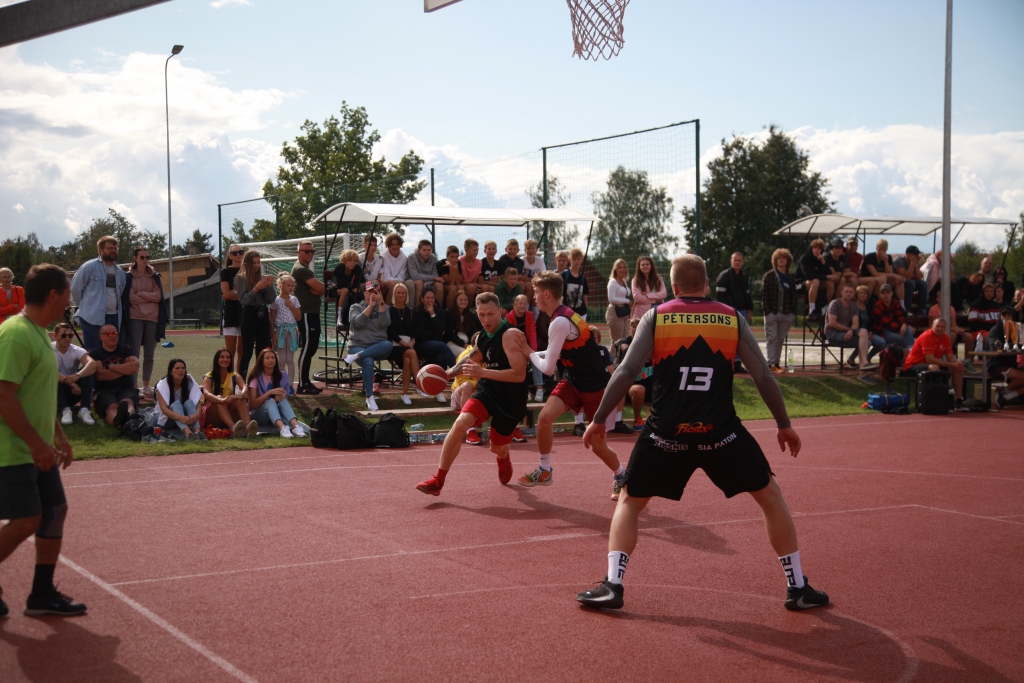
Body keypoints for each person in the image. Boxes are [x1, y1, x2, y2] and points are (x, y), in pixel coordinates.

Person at [574, 254, 829, 613]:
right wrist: (783, 424)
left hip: (665, 432)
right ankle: (797, 586)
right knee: (771, 496)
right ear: (707, 284)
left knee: (631, 501)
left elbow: (628, 370)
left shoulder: (657, 315)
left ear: (673, 287)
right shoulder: (730, 317)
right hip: (720, 433)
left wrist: (599, 418)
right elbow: (763, 376)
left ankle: (613, 584)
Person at [0, 263, 87, 618]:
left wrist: (57, 434)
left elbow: (35, 395)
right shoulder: (16, 334)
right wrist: (37, 444)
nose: (70, 300)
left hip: (38, 447)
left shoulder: (39, 333)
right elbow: (4, 395)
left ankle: (41, 594)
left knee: (54, 511)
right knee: (26, 520)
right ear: (54, 295)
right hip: (13, 450)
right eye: (68, 294)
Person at [415, 293, 532, 496]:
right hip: (489, 390)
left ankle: (503, 457)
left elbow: (519, 375)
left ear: (500, 313)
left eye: (490, 314)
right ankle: (438, 480)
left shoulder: (511, 335)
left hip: (512, 397)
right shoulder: (482, 336)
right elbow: (473, 356)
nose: (486, 320)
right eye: (482, 315)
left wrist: (483, 372)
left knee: (497, 447)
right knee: (460, 424)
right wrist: (449, 373)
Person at [523, 271, 626, 495]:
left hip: (595, 387)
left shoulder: (559, 322)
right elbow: (553, 351)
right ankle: (545, 469)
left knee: (599, 447)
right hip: (573, 380)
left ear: (547, 294)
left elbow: (548, 369)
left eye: (537, 293)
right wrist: (532, 353)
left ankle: (621, 474)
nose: (534, 298)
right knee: (544, 418)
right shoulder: (566, 316)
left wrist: (528, 353)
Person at [121, 247, 168, 399]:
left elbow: (159, 296)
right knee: (134, 352)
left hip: (153, 318)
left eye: (147, 257)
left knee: (150, 353)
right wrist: (148, 297)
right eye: (142, 257)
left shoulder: (154, 276)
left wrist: (140, 295)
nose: (145, 260)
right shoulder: (128, 276)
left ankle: (146, 385)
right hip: (135, 317)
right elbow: (130, 298)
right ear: (135, 258)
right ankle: (134, 386)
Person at [70, 235, 125, 353]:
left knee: (111, 351)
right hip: (92, 318)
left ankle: (109, 371)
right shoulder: (88, 267)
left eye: (115, 248)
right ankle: (91, 372)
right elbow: (75, 288)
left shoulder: (120, 272)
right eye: (110, 248)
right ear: (101, 250)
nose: (113, 251)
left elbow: (120, 293)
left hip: (113, 317)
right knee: (92, 351)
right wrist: (87, 306)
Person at [344, 281, 393, 411]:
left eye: (376, 291)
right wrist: (370, 306)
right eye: (370, 291)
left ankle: (355, 357)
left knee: (388, 344)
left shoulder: (384, 307)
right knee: (368, 360)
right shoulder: (355, 307)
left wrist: (381, 303)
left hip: (379, 346)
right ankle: (369, 397)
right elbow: (357, 323)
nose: (373, 293)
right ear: (364, 292)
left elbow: (385, 324)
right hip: (358, 344)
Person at [903, 317, 967, 409]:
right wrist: (951, 364)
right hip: (912, 366)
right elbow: (930, 359)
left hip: (931, 365)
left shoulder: (945, 337)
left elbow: (950, 357)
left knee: (957, 368)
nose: (940, 329)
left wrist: (957, 364)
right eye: (937, 326)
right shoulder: (927, 336)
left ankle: (958, 400)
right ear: (932, 326)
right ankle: (934, 400)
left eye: (942, 327)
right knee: (934, 367)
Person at [246, 347, 306, 439]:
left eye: (273, 357)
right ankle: (283, 429)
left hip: (275, 414)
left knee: (280, 400)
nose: (271, 360)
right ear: (261, 361)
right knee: (270, 401)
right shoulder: (256, 378)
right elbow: (252, 404)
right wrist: (269, 393)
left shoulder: (282, 375)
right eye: (267, 358)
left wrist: (280, 398)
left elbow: (286, 401)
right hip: (259, 415)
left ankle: (296, 427)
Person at [291, 241, 325, 395]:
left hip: (312, 312)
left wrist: (320, 290)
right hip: (306, 313)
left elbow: (320, 289)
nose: (310, 254)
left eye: (312, 251)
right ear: (298, 252)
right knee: (307, 348)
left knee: (311, 347)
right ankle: (303, 384)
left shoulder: (305, 269)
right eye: (306, 251)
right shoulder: (301, 269)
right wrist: (320, 289)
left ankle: (306, 382)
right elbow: (321, 288)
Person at [235, 250, 276, 378]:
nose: (256, 265)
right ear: (247, 263)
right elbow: (243, 300)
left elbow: (271, 300)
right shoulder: (240, 278)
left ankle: (259, 381)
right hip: (249, 314)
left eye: (258, 262)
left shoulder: (262, 277)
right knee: (247, 352)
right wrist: (256, 289)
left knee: (262, 351)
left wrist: (270, 286)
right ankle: (241, 383)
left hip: (263, 314)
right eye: (253, 263)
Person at [826, 283, 878, 384]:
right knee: (866, 342)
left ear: (854, 294)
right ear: (841, 292)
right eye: (846, 291)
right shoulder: (835, 303)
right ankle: (863, 371)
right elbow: (832, 323)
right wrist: (848, 330)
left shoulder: (854, 305)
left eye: (850, 292)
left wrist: (851, 331)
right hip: (833, 333)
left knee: (864, 332)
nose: (848, 294)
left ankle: (863, 365)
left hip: (847, 332)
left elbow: (855, 323)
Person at [89, 324, 140, 428]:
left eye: (115, 333)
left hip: (126, 388)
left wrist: (109, 367)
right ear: (101, 337)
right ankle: (121, 423)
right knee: (112, 407)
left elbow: (134, 368)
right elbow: (100, 375)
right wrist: (125, 369)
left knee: (128, 403)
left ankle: (126, 421)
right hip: (104, 390)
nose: (113, 336)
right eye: (109, 333)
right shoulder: (95, 353)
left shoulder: (127, 350)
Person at [200, 348, 256, 438]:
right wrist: (222, 399)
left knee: (240, 399)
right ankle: (233, 428)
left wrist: (242, 394)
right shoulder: (209, 376)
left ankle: (248, 428)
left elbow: (245, 387)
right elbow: (206, 394)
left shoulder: (234, 375)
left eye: (228, 357)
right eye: (222, 357)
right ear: (217, 359)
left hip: (228, 412)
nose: (225, 359)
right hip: (213, 414)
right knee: (219, 399)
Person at [52, 321, 99, 426]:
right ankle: (65, 409)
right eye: (63, 335)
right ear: (55, 336)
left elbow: (92, 364)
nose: (67, 338)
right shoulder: (47, 350)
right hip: (54, 392)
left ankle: (84, 409)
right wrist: (71, 382)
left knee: (88, 372)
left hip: (74, 391)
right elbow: (49, 371)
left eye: (70, 335)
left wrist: (77, 376)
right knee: (52, 374)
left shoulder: (75, 349)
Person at [715, 252, 754, 373]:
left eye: (739, 260)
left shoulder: (744, 276)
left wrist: (750, 308)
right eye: (735, 260)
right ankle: (727, 363)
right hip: (730, 312)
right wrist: (726, 310)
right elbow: (719, 295)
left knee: (741, 339)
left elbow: (747, 294)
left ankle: (737, 363)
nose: (737, 262)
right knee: (729, 338)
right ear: (731, 261)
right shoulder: (724, 276)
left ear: (742, 262)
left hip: (742, 311)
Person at [761, 248, 797, 372]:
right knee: (772, 338)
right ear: (775, 260)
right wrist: (767, 311)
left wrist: (793, 311)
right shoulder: (769, 276)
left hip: (787, 312)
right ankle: (770, 363)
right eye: (779, 258)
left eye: (784, 258)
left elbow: (794, 295)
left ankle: (776, 363)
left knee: (780, 339)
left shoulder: (791, 277)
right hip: (773, 312)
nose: (781, 260)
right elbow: (764, 295)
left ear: (788, 261)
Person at [412, 289, 456, 389]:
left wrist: (432, 315)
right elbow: (421, 334)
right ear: (422, 299)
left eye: (432, 298)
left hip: (436, 345)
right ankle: (457, 372)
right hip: (421, 345)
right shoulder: (417, 312)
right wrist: (436, 334)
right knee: (442, 346)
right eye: (427, 298)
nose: (430, 300)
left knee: (440, 357)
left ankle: (439, 387)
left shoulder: (439, 312)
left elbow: (441, 331)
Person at [386, 283, 420, 406]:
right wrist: (402, 343)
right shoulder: (389, 310)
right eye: (398, 293)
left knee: (407, 360)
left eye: (403, 293)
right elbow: (390, 331)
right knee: (411, 353)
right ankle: (419, 384)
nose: (401, 295)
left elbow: (416, 329)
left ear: (406, 295)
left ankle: (405, 394)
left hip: (408, 345)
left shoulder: (411, 312)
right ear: (394, 294)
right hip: (394, 345)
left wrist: (412, 342)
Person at [506, 293, 543, 407]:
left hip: (527, 345)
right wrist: (521, 352)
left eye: (524, 303)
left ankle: (539, 389)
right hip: (515, 346)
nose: (522, 306)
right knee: (520, 364)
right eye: (520, 303)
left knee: (535, 359)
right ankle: (524, 390)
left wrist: (532, 351)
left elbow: (532, 332)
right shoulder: (509, 317)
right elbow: (512, 336)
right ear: (515, 304)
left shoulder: (529, 315)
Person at [155, 359, 204, 440]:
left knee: (189, 402)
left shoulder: (189, 382)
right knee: (176, 404)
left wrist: (197, 415)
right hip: (164, 418)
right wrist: (181, 418)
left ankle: (197, 432)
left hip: (184, 419)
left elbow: (198, 401)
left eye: (183, 368)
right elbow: (164, 410)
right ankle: (188, 433)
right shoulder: (163, 384)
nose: (180, 370)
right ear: (171, 371)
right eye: (177, 368)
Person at [270, 273, 302, 395]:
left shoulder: (294, 299)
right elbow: (271, 319)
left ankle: (290, 386)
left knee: (290, 359)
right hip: (280, 331)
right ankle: (281, 385)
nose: (290, 287)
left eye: (292, 285)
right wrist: (273, 336)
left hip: (292, 331)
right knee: (282, 359)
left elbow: (298, 317)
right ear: (280, 285)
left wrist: (291, 306)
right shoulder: (275, 301)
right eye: (288, 285)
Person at [449, 332, 483, 444]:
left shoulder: (490, 356)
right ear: (475, 347)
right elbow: (463, 382)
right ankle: (470, 430)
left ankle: (508, 428)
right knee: (468, 386)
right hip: (460, 395)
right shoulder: (465, 356)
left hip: (481, 395)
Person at [220, 244, 245, 372]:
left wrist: (234, 294)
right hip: (230, 313)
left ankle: (239, 381)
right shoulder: (225, 271)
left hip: (245, 314)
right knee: (230, 352)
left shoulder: (249, 270)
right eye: (234, 253)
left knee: (243, 351)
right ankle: (228, 380)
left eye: (240, 252)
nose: (238, 255)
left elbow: (252, 293)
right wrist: (244, 295)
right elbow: (227, 294)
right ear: (230, 256)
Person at [871, 284, 915, 349]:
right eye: (883, 293)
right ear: (880, 294)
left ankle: (910, 351)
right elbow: (886, 323)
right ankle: (909, 354)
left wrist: (904, 324)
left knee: (909, 330)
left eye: (888, 293)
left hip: (895, 329)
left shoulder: (895, 302)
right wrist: (902, 326)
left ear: (892, 293)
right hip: (883, 331)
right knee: (902, 339)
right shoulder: (877, 306)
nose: (886, 295)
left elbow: (900, 315)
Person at [796, 239, 831, 319]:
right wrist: (825, 277)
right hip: (799, 284)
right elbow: (808, 276)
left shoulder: (820, 258)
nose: (816, 250)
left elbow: (829, 274)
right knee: (815, 281)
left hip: (816, 284)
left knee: (830, 283)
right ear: (811, 248)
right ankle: (812, 310)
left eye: (819, 248)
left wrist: (823, 263)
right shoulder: (804, 258)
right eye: (815, 248)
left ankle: (828, 308)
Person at [444, 289, 481, 357]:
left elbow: (473, 331)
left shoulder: (470, 315)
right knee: (468, 355)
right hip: (452, 342)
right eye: (460, 300)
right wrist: (464, 345)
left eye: (465, 300)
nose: (463, 302)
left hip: (467, 343)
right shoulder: (449, 314)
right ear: (456, 301)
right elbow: (450, 334)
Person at [407, 239, 444, 307]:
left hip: (428, 282)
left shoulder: (434, 259)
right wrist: (432, 278)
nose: (427, 252)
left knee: (439, 285)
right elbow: (414, 276)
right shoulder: (412, 257)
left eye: (429, 250)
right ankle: (418, 310)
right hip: (414, 281)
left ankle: (438, 309)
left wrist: (427, 283)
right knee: (419, 283)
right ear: (419, 250)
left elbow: (435, 275)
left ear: (431, 250)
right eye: (424, 250)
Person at [333, 249, 363, 333]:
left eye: (354, 260)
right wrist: (351, 288)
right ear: (345, 261)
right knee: (345, 291)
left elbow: (359, 282)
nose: (352, 263)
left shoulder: (357, 269)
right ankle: (339, 317)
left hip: (350, 292)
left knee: (357, 292)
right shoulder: (340, 268)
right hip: (336, 290)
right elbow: (338, 284)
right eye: (350, 260)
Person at [380, 233, 414, 303]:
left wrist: (399, 282)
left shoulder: (404, 258)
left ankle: (409, 309)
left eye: (397, 244)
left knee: (410, 283)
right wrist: (398, 282)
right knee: (394, 284)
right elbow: (386, 277)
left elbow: (402, 275)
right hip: (385, 283)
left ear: (400, 245)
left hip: (400, 281)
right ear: (388, 245)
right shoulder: (383, 256)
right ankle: (386, 309)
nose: (395, 247)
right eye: (392, 244)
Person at [606, 259, 632, 347]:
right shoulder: (612, 282)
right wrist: (627, 301)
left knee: (624, 341)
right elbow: (611, 299)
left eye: (624, 268)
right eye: (619, 268)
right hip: (615, 312)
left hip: (624, 312)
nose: (622, 270)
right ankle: (611, 360)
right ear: (615, 269)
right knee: (616, 342)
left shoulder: (624, 281)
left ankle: (621, 360)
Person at [894, 246, 927, 313]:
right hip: (899, 284)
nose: (916, 256)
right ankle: (907, 308)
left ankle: (922, 308)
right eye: (914, 254)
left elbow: (919, 277)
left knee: (923, 284)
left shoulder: (916, 262)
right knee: (910, 283)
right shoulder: (899, 261)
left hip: (911, 283)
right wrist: (912, 264)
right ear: (908, 254)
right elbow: (906, 277)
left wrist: (915, 265)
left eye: (917, 254)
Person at [497, 238, 531, 302]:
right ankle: (514, 303)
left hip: (515, 280)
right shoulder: (502, 259)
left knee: (527, 284)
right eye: (510, 249)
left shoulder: (520, 262)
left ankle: (526, 306)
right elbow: (502, 275)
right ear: (506, 249)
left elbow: (520, 275)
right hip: (504, 281)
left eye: (514, 249)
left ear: (518, 250)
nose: (512, 251)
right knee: (521, 284)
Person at [561, 248, 590, 319]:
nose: (576, 261)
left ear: (582, 260)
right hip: (567, 313)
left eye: (578, 259)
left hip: (581, 314)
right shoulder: (564, 275)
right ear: (570, 259)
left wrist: (585, 311)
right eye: (574, 259)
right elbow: (559, 295)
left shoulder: (583, 279)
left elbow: (585, 298)